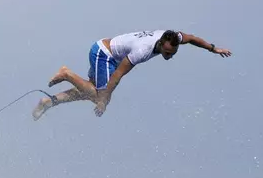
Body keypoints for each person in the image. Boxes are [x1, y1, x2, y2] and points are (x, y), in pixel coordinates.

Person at [32, 29, 232, 119]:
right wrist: (103, 101)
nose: (170, 56)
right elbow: (118, 76)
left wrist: (213, 49)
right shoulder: (142, 50)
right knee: (98, 97)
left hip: (107, 51)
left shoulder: (175, 37)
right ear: (161, 44)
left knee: (90, 91)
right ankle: (66, 74)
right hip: (105, 53)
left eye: (173, 53)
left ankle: (48, 102)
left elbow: (193, 38)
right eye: (167, 52)